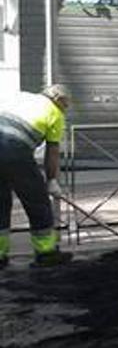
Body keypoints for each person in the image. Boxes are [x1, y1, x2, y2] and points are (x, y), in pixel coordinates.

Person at [0, 85, 74, 269]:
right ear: (59, 101)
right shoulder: (55, 113)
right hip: (14, 150)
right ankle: (46, 253)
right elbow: (53, 151)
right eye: (65, 105)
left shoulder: (22, 97)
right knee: (37, 201)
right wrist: (51, 180)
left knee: (0, 203)